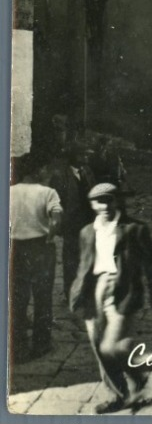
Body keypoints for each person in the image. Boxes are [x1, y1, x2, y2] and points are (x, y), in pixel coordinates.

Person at [70, 182, 152, 414]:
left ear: (117, 200)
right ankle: (119, 395)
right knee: (98, 346)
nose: (104, 206)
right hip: (94, 290)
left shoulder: (134, 229)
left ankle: (136, 377)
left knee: (111, 346)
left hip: (123, 289)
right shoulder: (86, 231)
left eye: (108, 200)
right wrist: (76, 294)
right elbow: (83, 265)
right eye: (98, 201)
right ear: (91, 204)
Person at [10, 154, 63, 363]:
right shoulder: (48, 192)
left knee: (17, 299)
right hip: (40, 248)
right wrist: (50, 236)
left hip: (15, 248)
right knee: (43, 297)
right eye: (45, 169)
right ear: (39, 170)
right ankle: (41, 344)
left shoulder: (9, 191)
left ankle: (18, 346)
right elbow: (56, 219)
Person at [50, 143, 95, 301]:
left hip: (87, 221)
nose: (86, 157)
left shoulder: (87, 172)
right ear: (74, 157)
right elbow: (56, 202)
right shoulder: (61, 176)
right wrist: (60, 224)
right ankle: (71, 293)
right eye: (83, 154)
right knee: (70, 259)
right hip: (71, 223)